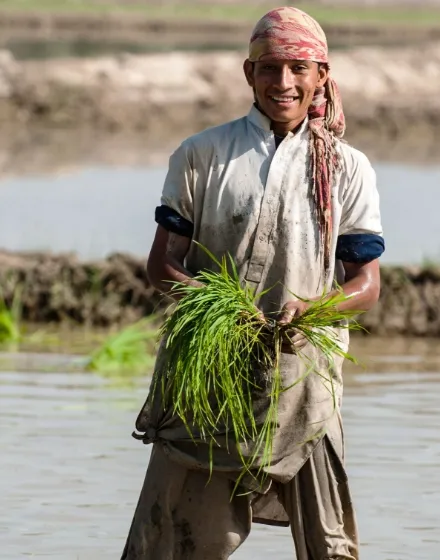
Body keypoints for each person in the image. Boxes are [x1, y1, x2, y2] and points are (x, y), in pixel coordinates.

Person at [121, 6, 384, 560]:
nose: (282, 82)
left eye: (297, 68)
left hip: (305, 379)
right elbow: (163, 265)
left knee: (330, 549)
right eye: (269, 68)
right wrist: (220, 308)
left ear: (321, 76)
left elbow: (365, 284)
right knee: (169, 545)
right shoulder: (203, 154)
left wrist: (313, 307)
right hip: (208, 375)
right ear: (249, 74)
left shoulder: (347, 167)